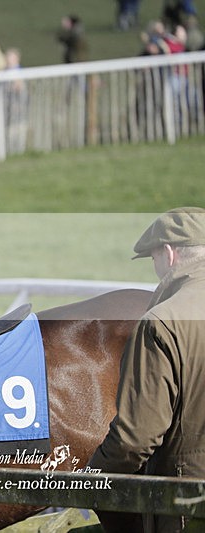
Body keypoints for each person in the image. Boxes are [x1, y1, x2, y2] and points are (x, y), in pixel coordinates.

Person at [88, 207, 205, 533]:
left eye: (153, 258)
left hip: (187, 505)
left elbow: (136, 438)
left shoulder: (161, 322)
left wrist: (90, 479)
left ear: (168, 253)